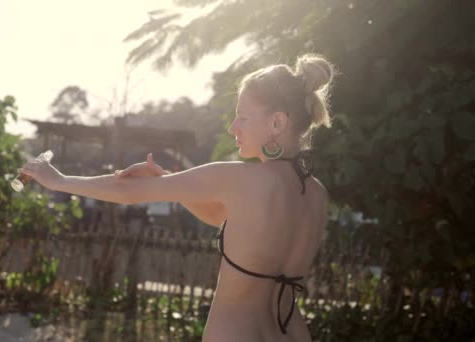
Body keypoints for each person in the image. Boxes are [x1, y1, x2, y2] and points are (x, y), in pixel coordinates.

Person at [18, 53, 333, 341]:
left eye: (243, 117)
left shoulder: (240, 178)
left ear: (277, 122)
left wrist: (59, 181)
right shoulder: (317, 195)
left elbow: (127, 192)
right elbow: (225, 220)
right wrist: (170, 183)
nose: (233, 128)